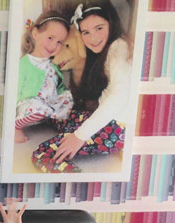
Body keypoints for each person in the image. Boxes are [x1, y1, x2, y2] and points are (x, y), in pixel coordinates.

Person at [32, 1, 131, 172]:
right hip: (104, 120)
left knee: (42, 154)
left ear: (111, 23)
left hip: (115, 128)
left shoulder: (118, 47)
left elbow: (119, 97)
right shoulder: (107, 49)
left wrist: (79, 136)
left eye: (99, 28)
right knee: (57, 113)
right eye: (86, 32)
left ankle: (79, 183)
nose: (93, 38)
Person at [14, 10, 73, 143]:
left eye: (59, 42)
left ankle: (55, 120)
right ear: (35, 33)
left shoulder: (53, 64)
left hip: (49, 105)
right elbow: (15, 92)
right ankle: (16, 126)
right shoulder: (24, 64)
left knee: (67, 97)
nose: (53, 46)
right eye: (50, 38)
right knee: (35, 107)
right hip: (29, 106)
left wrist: (63, 95)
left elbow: (57, 84)